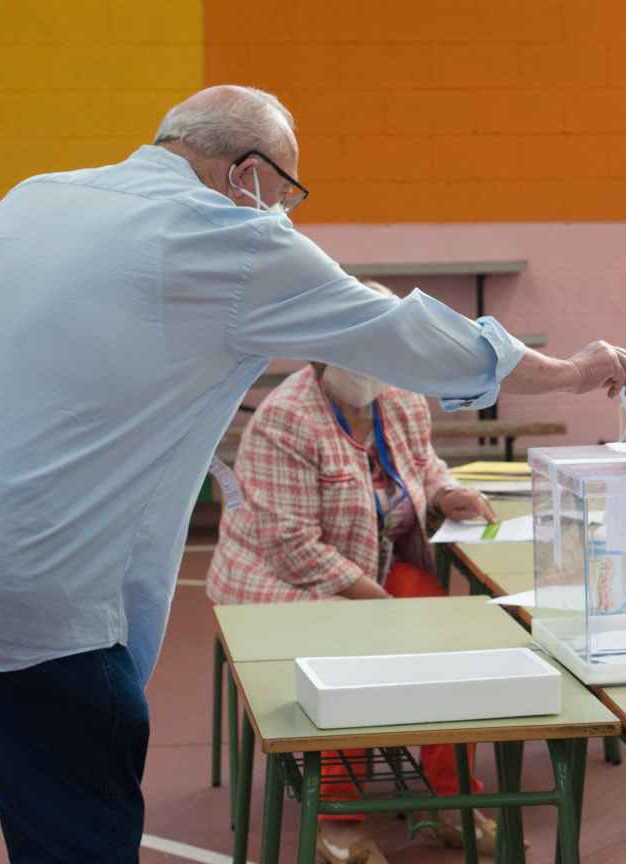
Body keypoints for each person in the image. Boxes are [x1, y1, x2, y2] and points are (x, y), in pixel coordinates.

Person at [0, 85, 626, 863]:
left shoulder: (33, 199)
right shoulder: (233, 237)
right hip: (31, 598)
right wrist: (570, 373)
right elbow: (405, 335)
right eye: (286, 192)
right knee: (77, 838)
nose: (285, 213)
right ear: (247, 173)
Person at [207, 284, 503, 861]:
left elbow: (423, 466)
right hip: (279, 581)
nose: (372, 366)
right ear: (322, 353)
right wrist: (377, 608)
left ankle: (450, 800)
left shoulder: (401, 400)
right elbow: (292, 545)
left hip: (374, 562)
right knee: (347, 650)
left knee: (447, 635)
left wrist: (448, 496)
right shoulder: (285, 419)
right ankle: (338, 820)